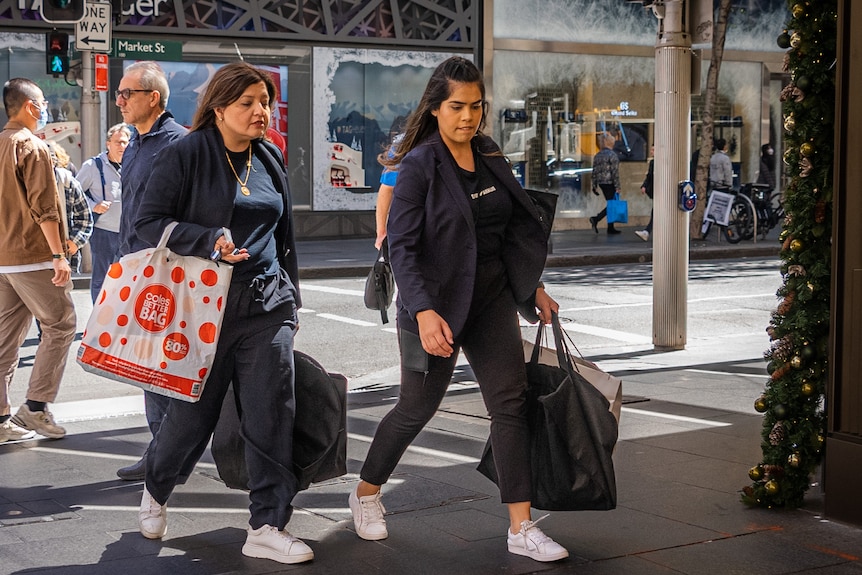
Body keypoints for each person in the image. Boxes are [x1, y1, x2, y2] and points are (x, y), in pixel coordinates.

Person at [348, 57, 568, 564]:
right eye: (456, 106)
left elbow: (511, 227)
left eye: (476, 106)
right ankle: (365, 493)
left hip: (490, 299)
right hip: (437, 304)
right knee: (416, 408)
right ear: (436, 107)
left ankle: (520, 526)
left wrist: (531, 286)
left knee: (509, 405)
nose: (467, 116)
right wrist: (423, 312)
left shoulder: (489, 153)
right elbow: (400, 246)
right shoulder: (421, 163)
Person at [134, 62, 310, 565]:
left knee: (272, 414)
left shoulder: (269, 156)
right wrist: (207, 239)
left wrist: (292, 302)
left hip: (266, 305)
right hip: (203, 310)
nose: (261, 112)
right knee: (192, 418)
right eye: (248, 103)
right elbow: (148, 223)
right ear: (218, 108)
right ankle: (156, 485)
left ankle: (267, 525)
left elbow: (283, 236)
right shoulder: (186, 153)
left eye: (265, 103)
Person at [114, 61, 188, 481]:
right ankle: (162, 451)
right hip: (135, 268)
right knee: (146, 365)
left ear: (152, 98)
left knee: (166, 365)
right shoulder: (136, 145)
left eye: (127, 94)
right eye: (120, 94)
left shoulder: (179, 144)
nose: (119, 101)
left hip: (167, 273)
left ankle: (169, 454)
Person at [0, 78, 76, 442]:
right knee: (61, 325)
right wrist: (59, 255)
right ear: (31, 107)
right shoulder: (33, 146)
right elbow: (45, 207)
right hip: (31, 255)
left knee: (4, 339)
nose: (46, 108)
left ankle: (1, 421)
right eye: (43, 103)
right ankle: (35, 407)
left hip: (3, 258)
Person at [76, 123, 131, 301]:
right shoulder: (93, 166)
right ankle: (97, 323)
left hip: (128, 232)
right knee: (101, 277)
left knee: (124, 278)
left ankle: (115, 321)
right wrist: (93, 205)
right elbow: (75, 194)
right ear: (108, 143)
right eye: (117, 142)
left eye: (125, 142)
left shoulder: (133, 163)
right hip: (103, 231)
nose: (122, 146)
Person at [46, 141, 93, 273]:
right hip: (34, 256)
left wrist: (74, 242)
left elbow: (85, 217)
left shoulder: (67, 182)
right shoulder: (26, 183)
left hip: (65, 254)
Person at [589, 132, 622, 235]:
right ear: (612, 143)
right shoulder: (612, 155)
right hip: (610, 182)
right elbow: (614, 172)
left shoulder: (598, 155)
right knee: (612, 204)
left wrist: (594, 185)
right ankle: (596, 219)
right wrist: (617, 186)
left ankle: (610, 227)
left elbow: (594, 171)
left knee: (611, 203)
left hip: (602, 183)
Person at [635, 145, 654, 242]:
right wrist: (644, 186)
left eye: (653, 150)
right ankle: (647, 231)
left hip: (658, 190)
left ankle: (647, 231)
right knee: (655, 212)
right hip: (657, 190)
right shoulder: (653, 162)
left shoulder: (655, 163)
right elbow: (649, 176)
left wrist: (645, 186)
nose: (651, 152)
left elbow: (649, 176)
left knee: (655, 212)